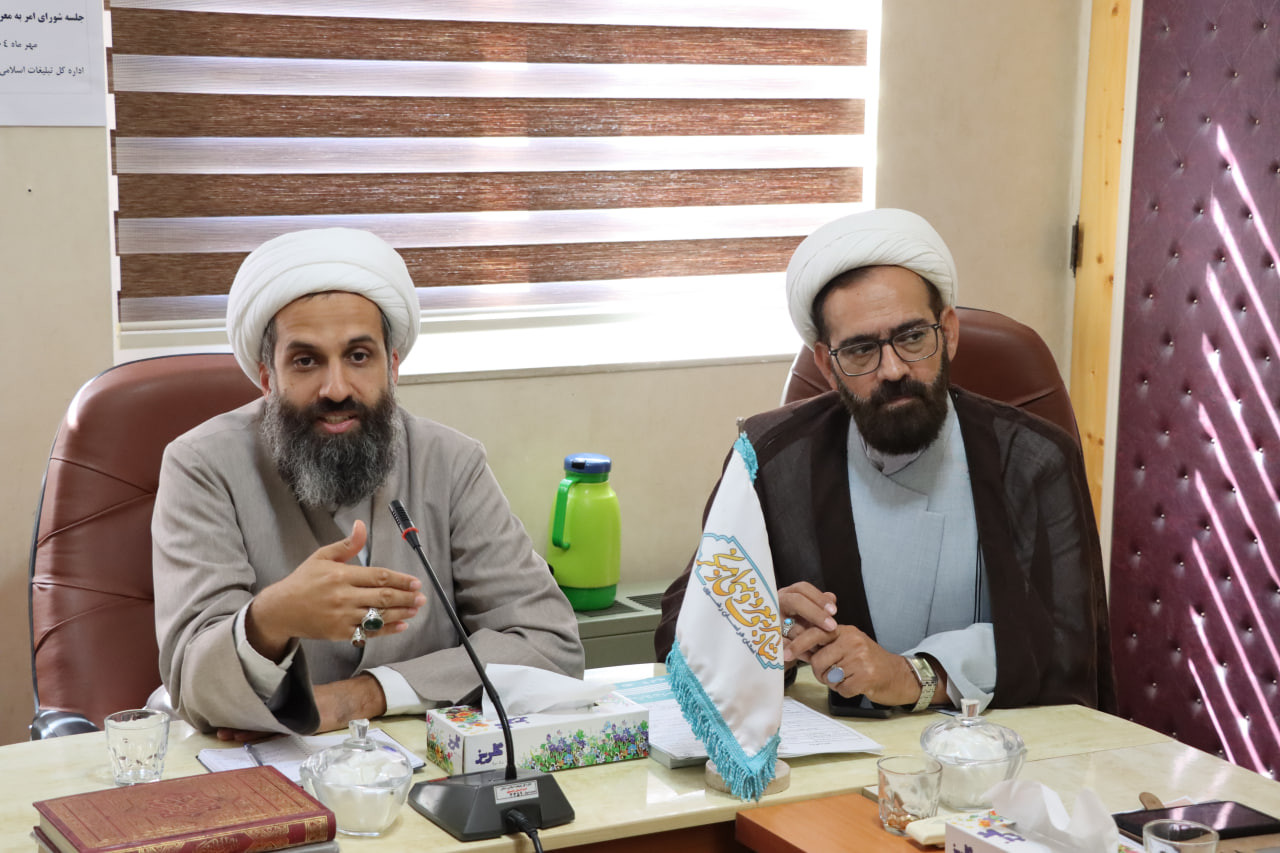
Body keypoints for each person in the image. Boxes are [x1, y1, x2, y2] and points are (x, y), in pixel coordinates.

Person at [655, 208, 1115, 713]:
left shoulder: (1033, 458)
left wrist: (914, 676)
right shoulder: (771, 456)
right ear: (827, 365)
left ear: (949, 333)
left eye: (913, 337)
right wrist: (757, 624)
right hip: (835, 748)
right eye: (860, 350)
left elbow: (1069, 646)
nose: (893, 370)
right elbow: (680, 625)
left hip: (995, 748)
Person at [153, 228, 584, 737]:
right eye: (306, 361)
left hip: (420, 764)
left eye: (358, 356)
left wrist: (363, 696)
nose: (336, 389)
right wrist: (271, 618)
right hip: (254, 764)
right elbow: (194, 683)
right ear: (268, 377)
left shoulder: (451, 462)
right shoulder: (201, 466)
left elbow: (550, 645)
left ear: (392, 366)